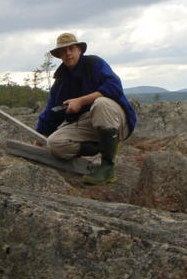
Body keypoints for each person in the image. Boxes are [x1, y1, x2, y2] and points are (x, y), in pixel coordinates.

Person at [36, 32, 136, 185]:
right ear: (60, 56)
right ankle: (105, 145)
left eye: (71, 48)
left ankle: (107, 168)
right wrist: (39, 136)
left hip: (116, 121)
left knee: (101, 103)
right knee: (54, 144)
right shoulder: (61, 80)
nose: (68, 53)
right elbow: (52, 111)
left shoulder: (95, 64)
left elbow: (114, 87)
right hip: (88, 124)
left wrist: (81, 101)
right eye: (63, 51)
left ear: (79, 50)